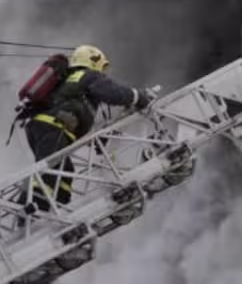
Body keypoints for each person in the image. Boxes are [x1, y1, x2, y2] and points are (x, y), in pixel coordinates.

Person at [24, 45, 150, 212]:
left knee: (64, 172)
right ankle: (29, 215)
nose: (103, 72)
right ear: (93, 61)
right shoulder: (88, 75)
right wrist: (137, 97)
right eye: (102, 67)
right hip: (54, 127)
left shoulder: (70, 80)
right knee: (48, 172)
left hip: (44, 127)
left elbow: (78, 114)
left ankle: (57, 207)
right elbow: (113, 93)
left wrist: (100, 139)